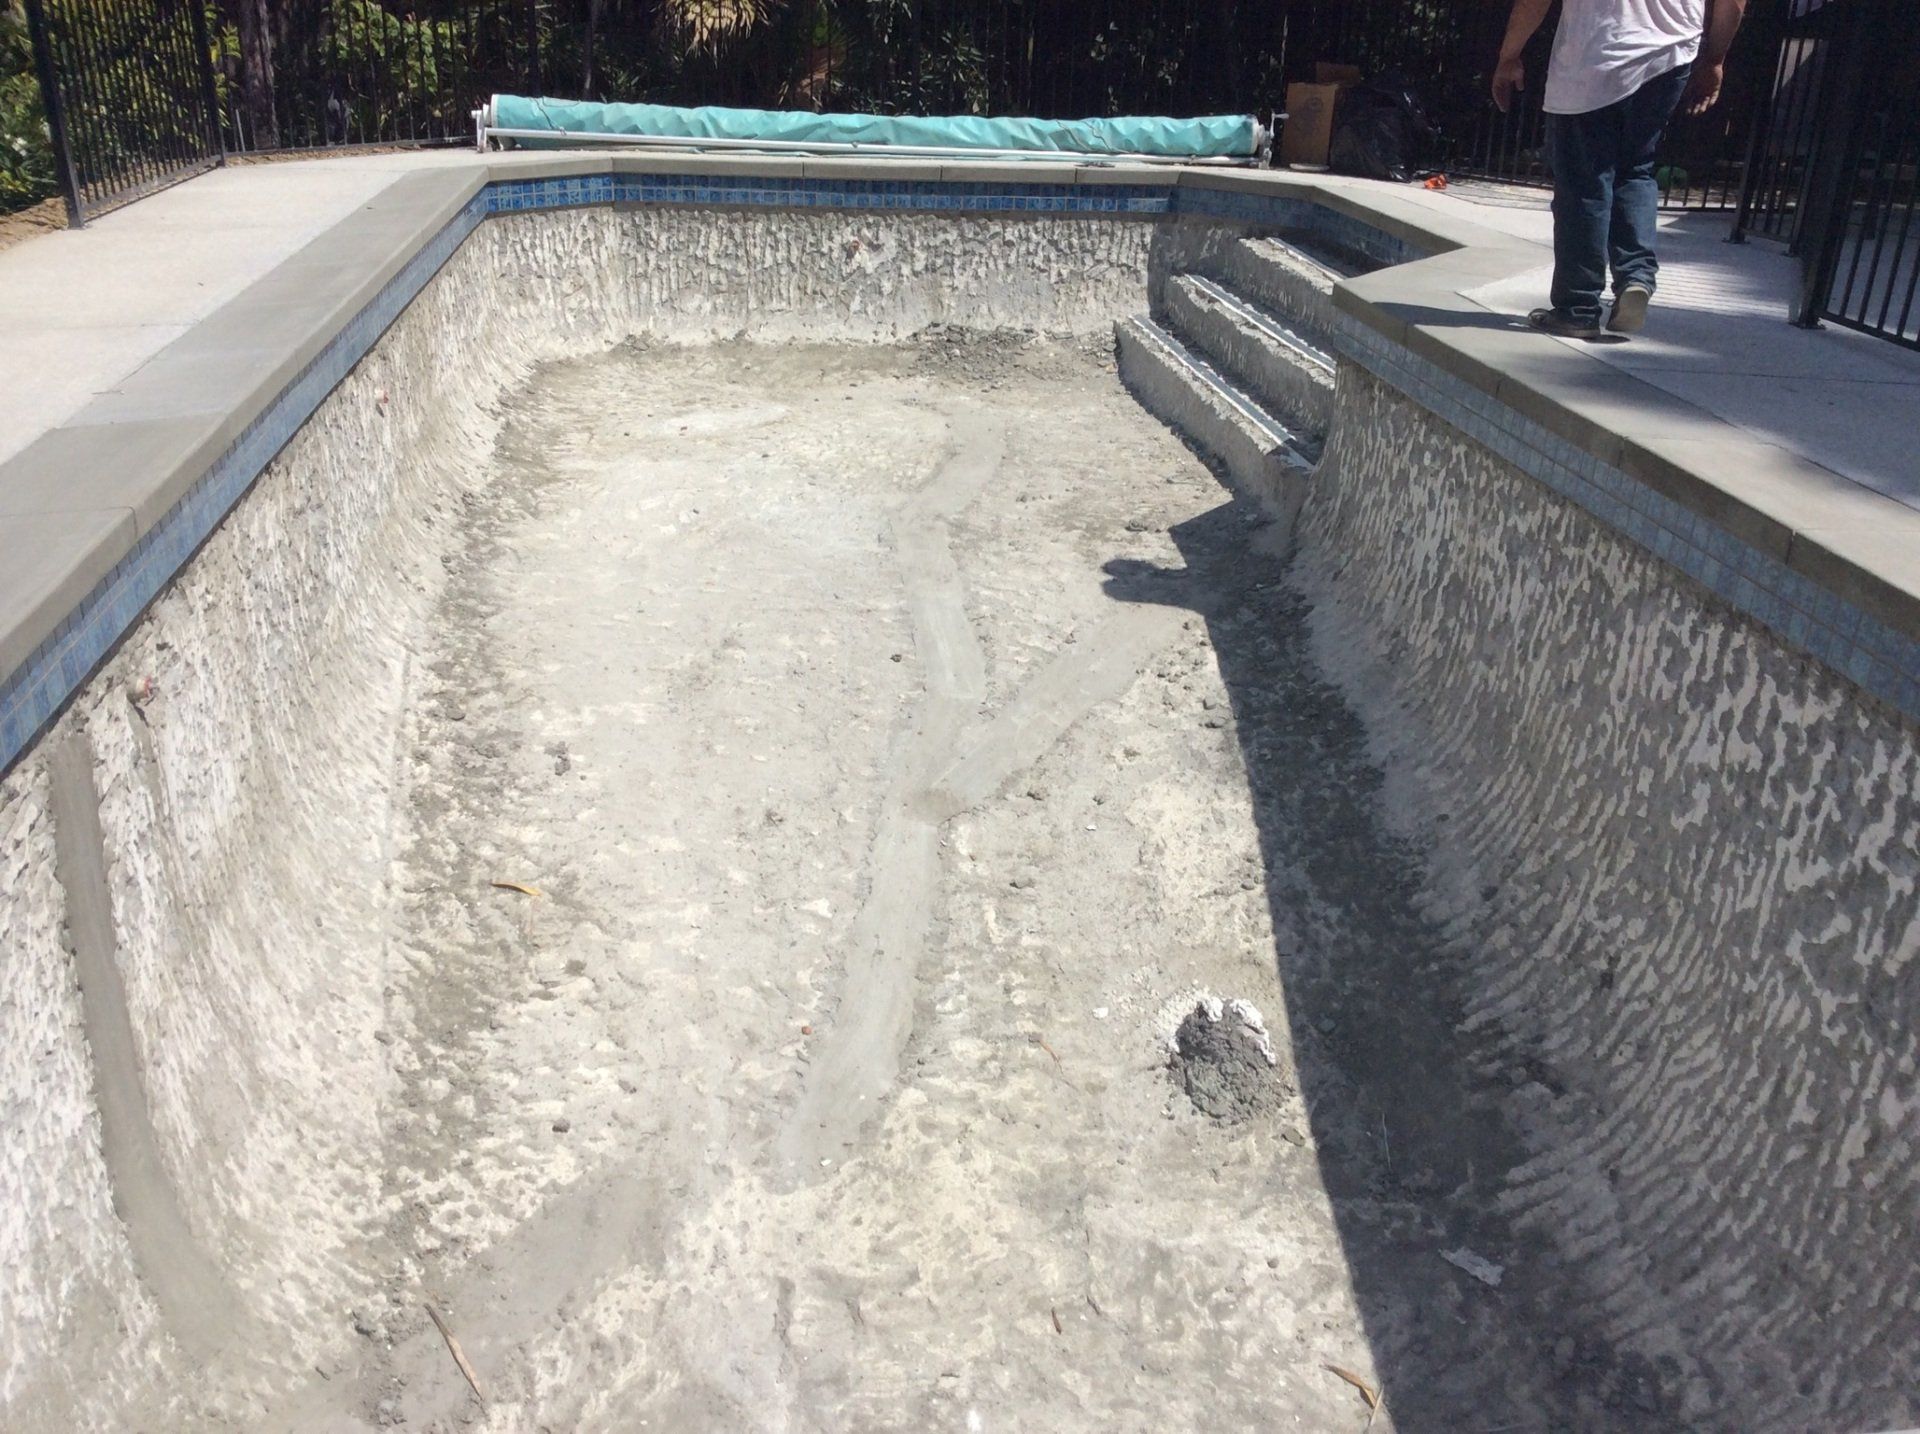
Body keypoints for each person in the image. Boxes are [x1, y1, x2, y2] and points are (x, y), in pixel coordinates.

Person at [1492, 0, 1747, 338]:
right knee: (1636, 168)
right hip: (1671, 54)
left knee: (1585, 182)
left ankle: (1577, 308)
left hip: (1598, 53)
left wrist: (1509, 55)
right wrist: (1714, 59)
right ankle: (1636, 277)